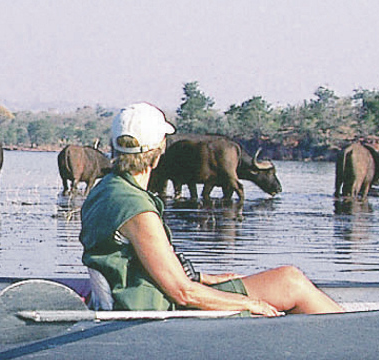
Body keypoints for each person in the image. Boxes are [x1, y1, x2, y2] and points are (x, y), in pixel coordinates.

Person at [80, 102, 342, 317]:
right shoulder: (136, 209)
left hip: (145, 297)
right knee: (290, 281)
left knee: (280, 280)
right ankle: (350, 338)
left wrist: (204, 278)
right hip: (159, 310)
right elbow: (183, 293)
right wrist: (249, 304)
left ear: (115, 146)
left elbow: (139, 264)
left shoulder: (106, 190)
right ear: (159, 152)